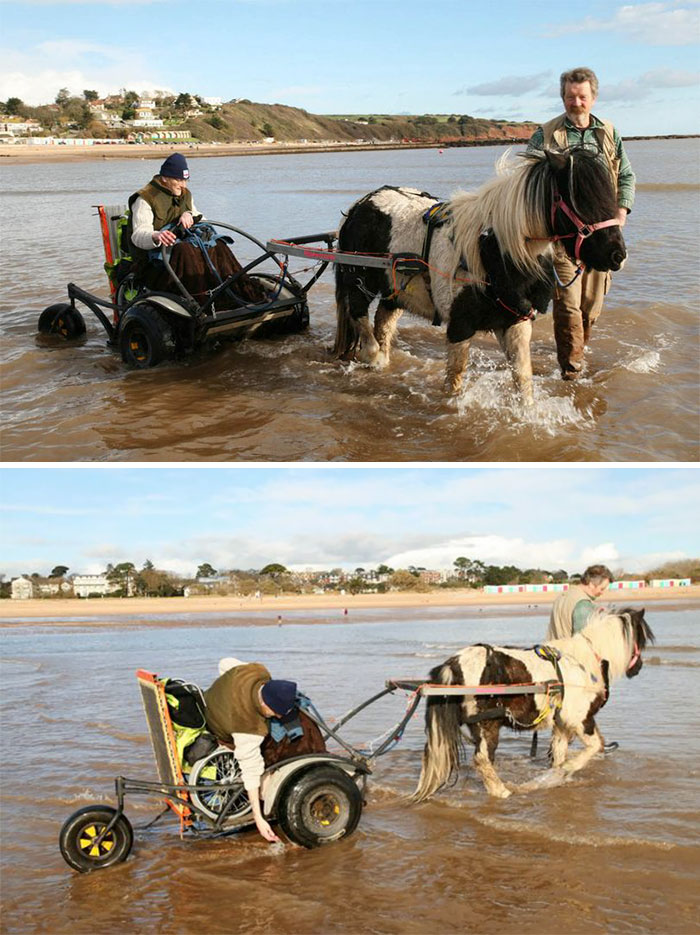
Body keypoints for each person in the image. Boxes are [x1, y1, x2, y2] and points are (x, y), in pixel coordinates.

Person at [527, 67, 636, 380]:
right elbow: (528, 177)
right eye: (570, 96)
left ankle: (576, 350)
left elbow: (626, 175)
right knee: (568, 306)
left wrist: (621, 213)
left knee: (590, 307)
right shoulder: (545, 134)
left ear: (593, 97)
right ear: (562, 97)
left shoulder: (609, 132)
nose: (576, 102)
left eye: (582, 96)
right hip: (563, 235)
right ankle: (572, 372)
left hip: (601, 236)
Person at [126, 152, 266, 306]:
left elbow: (200, 217)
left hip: (180, 247)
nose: (183, 185)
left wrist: (189, 214)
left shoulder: (185, 193)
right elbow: (138, 235)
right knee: (185, 251)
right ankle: (201, 303)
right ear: (165, 178)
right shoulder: (144, 199)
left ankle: (237, 292)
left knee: (218, 246)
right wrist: (156, 236)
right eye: (178, 180)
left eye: (185, 180)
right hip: (154, 262)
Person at [203, 656, 298, 843]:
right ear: (264, 705)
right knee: (266, 761)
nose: (277, 717)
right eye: (275, 713)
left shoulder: (256, 672)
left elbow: (224, 663)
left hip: (209, 703)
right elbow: (251, 770)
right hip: (219, 730)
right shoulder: (249, 728)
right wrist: (258, 817)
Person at [546, 563, 613, 640]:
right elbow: (584, 641)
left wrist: (596, 614)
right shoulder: (583, 604)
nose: (602, 592)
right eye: (602, 589)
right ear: (591, 584)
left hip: (551, 649)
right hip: (569, 651)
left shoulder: (563, 595)